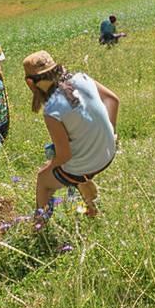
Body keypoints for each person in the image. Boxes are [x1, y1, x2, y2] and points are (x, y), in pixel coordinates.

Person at [24, 50, 119, 217]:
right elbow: (113, 100)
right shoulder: (82, 78)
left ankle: (39, 226)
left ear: (30, 83)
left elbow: (64, 156)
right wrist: (111, 132)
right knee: (75, 158)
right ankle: (92, 208)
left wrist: (48, 166)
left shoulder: (52, 110)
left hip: (90, 162)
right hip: (109, 150)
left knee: (43, 180)